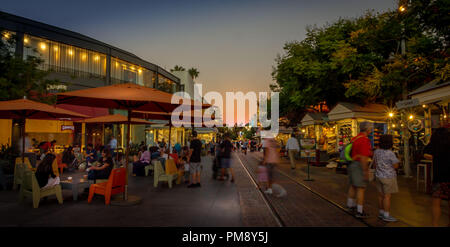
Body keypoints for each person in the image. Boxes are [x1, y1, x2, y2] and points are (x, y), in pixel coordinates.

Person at [423, 127, 450, 227]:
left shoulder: (434, 144)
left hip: (439, 177)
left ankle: (435, 224)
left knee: (436, 203)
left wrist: (436, 157)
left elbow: (425, 154)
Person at [346, 122, 373, 218]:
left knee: (353, 186)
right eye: (371, 128)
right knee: (361, 188)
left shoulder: (355, 138)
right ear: (368, 129)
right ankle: (359, 211)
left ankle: (350, 205)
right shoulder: (364, 140)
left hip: (352, 164)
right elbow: (363, 157)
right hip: (358, 165)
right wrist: (365, 171)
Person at [373, 135, 399, 222]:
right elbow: (395, 166)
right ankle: (386, 215)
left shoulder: (376, 152)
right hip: (388, 177)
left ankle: (381, 213)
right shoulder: (390, 153)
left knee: (380, 195)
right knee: (387, 197)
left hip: (378, 175)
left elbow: (374, 164)